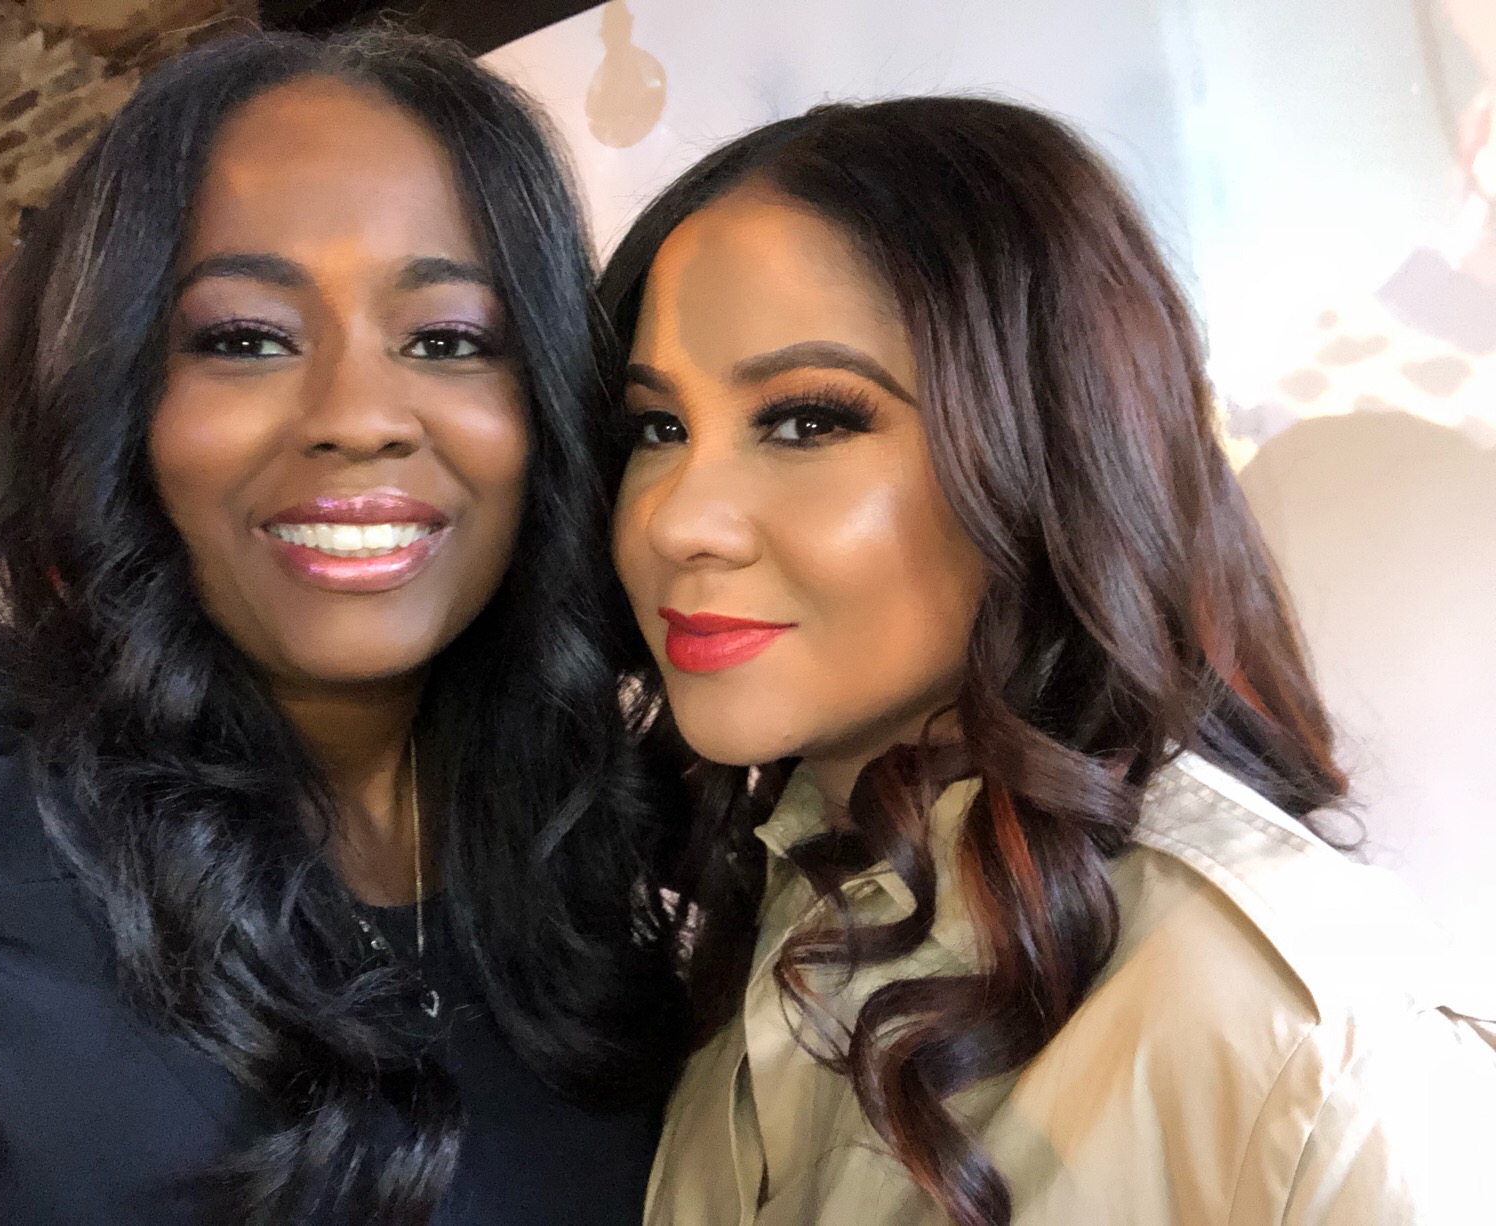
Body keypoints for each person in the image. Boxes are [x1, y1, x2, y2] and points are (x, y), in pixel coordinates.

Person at [599, 97, 1496, 1225]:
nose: (680, 520)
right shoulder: (774, 917)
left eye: (807, 420)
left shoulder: (1298, 1035)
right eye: (657, 428)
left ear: (1050, 440)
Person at [0, 28, 685, 1226]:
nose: (357, 415)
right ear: (114, 393)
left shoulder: (607, 844)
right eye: (244, 338)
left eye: (448, 339)